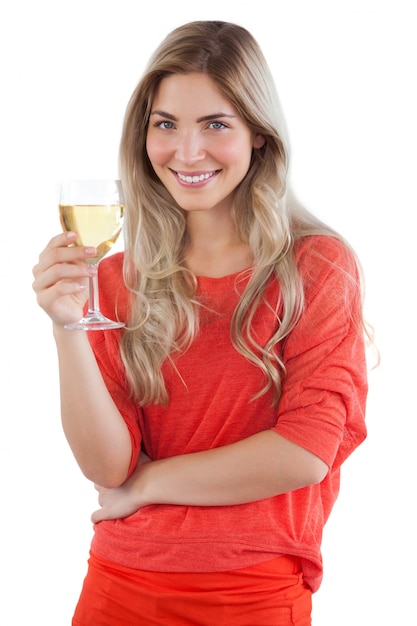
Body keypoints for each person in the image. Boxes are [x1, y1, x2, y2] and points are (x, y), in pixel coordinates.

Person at [32, 20, 369, 626]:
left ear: (259, 135)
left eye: (215, 124)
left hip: (252, 590)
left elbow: (306, 451)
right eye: (166, 124)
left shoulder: (315, 266)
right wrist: (67, 326)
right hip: (118, 585)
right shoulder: (113, 280)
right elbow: (107, 469)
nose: (187, 152)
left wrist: (148, 484)